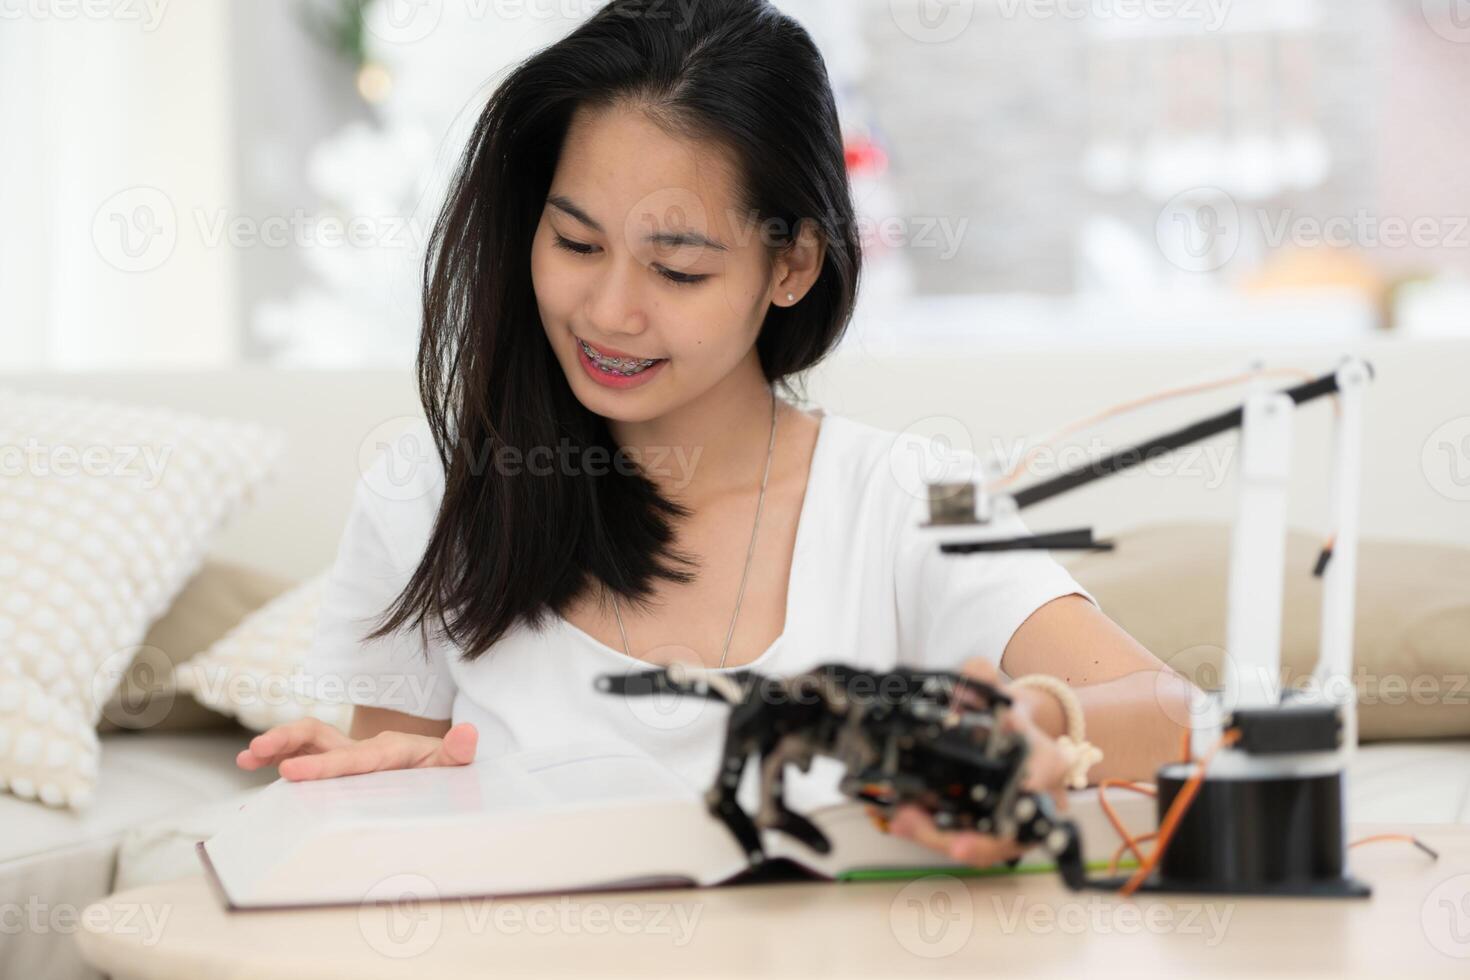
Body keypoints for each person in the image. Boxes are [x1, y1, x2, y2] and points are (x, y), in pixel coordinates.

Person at [237, 0, 1195, 870]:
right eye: (574, 244)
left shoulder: (914, 499)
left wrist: (1043, 730)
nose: (608, 312)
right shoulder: (428, 496)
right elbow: (390, 828)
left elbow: (1178, 717)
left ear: (791, 264)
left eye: (678, 269)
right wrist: (372, 804)